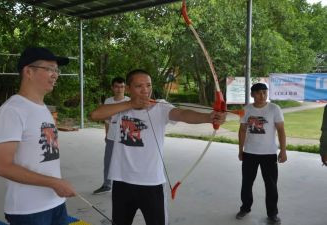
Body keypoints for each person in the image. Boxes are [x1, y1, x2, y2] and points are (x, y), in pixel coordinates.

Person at [90, 69, 226, 225]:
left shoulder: (160, 107)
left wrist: (208, 117)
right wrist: (130, 104)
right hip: (122, 181)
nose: (145, 90)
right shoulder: (121, 107)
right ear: (128, 89)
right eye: (139, 86)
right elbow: (95, 115)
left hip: (151, 183)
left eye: (148, 85)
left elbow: (182, 114)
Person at [0, 47, 76, 225]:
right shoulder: (12, 111)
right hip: (28, 210)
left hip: (55, 202)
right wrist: (54, 183)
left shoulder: (43, 108)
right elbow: (2, 166)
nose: (55, 75)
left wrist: (55, 185)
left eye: (56, 70)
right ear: (28, 71)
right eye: (50, 69)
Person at [236, 83, 287, 224]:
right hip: (250, 153)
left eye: (264, 92)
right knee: (246, 183)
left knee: (271, 185)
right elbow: (241, 130)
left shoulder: (274, 109)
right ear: (252, 94)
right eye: (258, 93)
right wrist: (241, 150)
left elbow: (281, 130)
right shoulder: (246, 110)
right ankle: (245, 208)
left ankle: (272, 213)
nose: (262, 96)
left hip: (269, 154)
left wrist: (283, 150)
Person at [93, 77, 130, 194]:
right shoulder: (108, 101)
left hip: (125, 138)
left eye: (122, 87)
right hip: (111, 137)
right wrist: (106, 134)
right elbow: (107, 120)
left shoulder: (129, 101)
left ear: (125, 88)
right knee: (108, 162)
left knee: (125, 163)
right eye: (117, 87)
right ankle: (107, 185)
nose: (119, 89)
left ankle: (127, 186)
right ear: (112, 88)